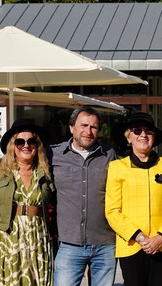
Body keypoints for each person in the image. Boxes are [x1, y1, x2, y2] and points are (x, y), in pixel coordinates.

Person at [105, 112, 162, 285]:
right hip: (132, 245)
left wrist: (161, 237)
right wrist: (139, 237)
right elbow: (112, 210)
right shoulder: (116, 167)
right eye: (137, 130)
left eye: (148, 131)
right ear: (129, 137)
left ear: (154, 137)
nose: (143, 134)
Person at [50, 106, 118, 285]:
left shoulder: (110, 156)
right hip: (69, 243)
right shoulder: (53, 155)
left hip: (105, 243)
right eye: (84, 125)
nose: (88, 131)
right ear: (71, 127)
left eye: (93, 127)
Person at [0, 119, 56, 285]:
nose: (26, 146)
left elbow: (57, 204)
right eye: (20, 142)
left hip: (38, 236)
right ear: (13, 145)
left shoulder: (46, 172)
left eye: (31, 141)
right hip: (8, 235)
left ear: (37, 145)